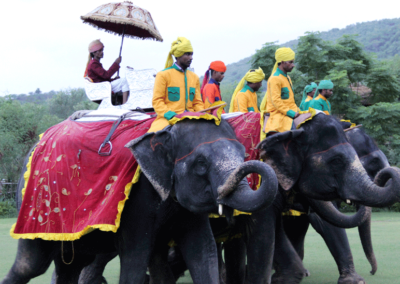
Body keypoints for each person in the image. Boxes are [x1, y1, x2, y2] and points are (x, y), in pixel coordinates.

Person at [149, 37, 205, 132]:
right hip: (168, 119)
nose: (191, 58)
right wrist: (172, 115)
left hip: (192, 117)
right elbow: (157, 101)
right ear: (178, 55)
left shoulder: (194, 77)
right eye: (187, 54)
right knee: (153, 139)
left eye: (191, 54)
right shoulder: (163, 75)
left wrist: (202, 114)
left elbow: (197, 102)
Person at [260, 47, 299, 135]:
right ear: (282, 62)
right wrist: (291, 113)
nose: (293, 65)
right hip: (279, 114)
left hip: (292, 111)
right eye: (290, 62)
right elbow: (276, 101)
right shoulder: (275, 78)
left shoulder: (287, 77)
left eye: (293, 62)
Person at [84, 39, 130, 104]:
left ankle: (121, 103)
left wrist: (113, 79)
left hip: (103, 86)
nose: (102, 52)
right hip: (102, 88)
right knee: (124, 81)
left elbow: (103, 77)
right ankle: (125, 104)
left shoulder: (94, 63)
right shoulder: (93, 64)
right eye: (99, 51)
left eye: (102, 50)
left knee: (121, 84)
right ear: (94, 53)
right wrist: (116, 63)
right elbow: (106, 75)